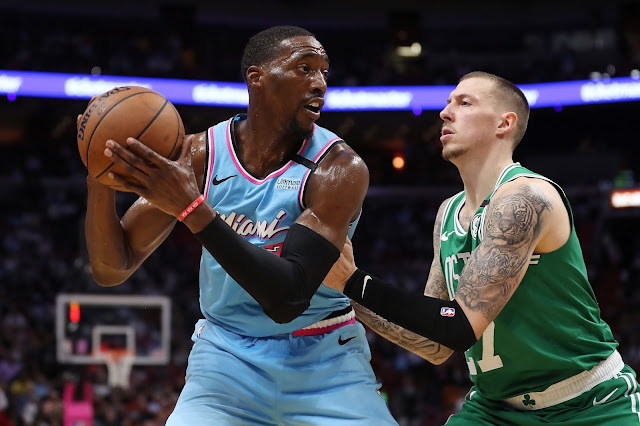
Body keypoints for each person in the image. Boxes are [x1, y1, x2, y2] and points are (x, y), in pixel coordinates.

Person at [83, 26, 397, 425]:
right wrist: (99, 178)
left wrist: (192, 208)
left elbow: (288, 299)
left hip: (326, 360)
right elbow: (112, 268)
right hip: (226, 361)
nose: (320, 83)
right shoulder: (199, 155)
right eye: (305, 68)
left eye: (324, 72)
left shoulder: (338, 169)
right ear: (257, 77)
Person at [323, 71, 640, 425]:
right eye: (448, 103)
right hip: (496, 409)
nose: (445, 112)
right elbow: (434, 344)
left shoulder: (524, 198)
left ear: (504, 123)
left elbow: (458, 326)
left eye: (464, 103)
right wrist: (342, 287)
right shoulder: (447, 213)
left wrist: (354, 282)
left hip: (589, 403)